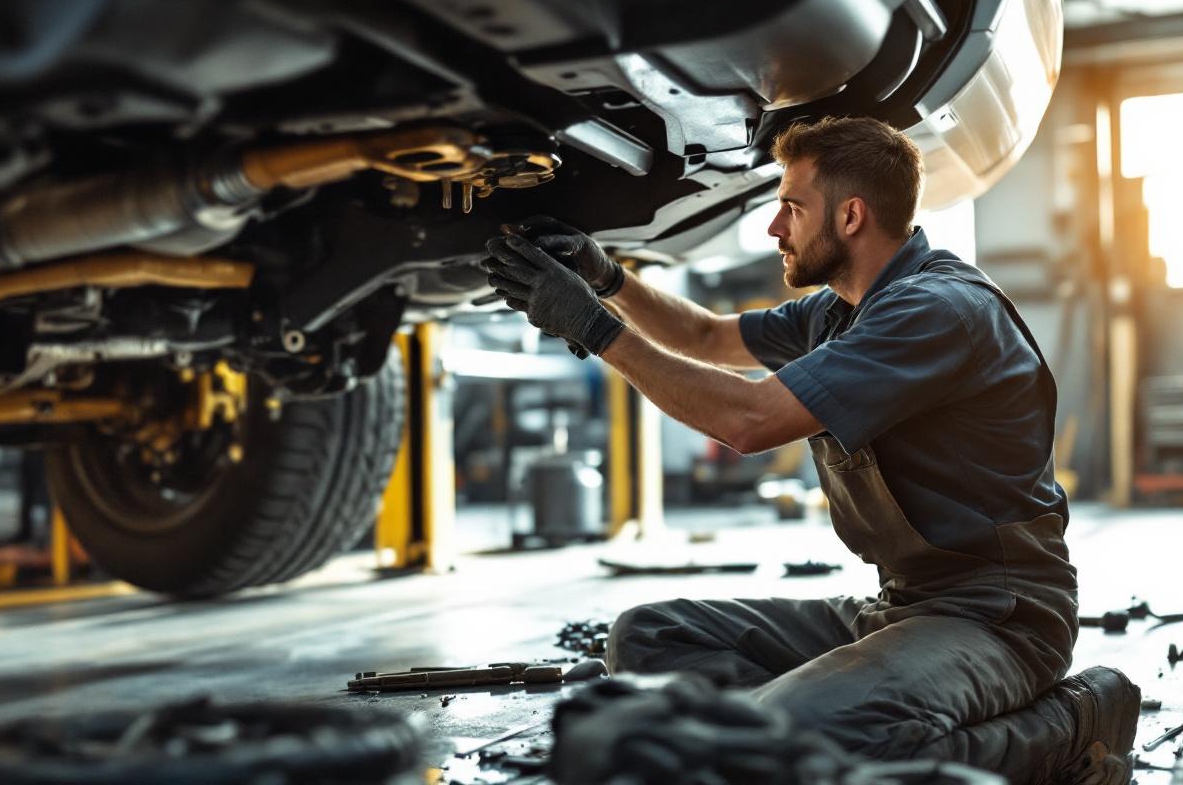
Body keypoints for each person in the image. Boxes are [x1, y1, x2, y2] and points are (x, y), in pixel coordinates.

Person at [481, 116, 1139, 784]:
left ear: (851, 216)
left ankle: (1071, 726)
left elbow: (747, 420)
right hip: (905, 607)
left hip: (999, 617)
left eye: (791, 208)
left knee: (807, 738)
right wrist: (607, 280)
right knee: (648, 639)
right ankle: (769, 744)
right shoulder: (841, 310)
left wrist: (590, 326)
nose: (775, 228)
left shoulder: (937, 310)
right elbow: (708, 337)